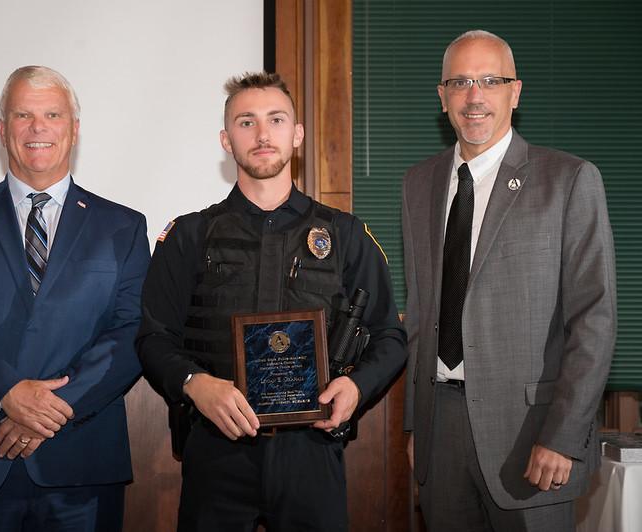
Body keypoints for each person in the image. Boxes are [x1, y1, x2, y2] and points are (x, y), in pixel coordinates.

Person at [136, 71, 407, 531]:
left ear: (297, 134)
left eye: (276, 120)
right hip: (216, 450)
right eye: (246, 122)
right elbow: (152, 337)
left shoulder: (345, 235)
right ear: (226, 140)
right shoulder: (188, 236)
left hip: (313, 451)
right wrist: (195, 383)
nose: (262, 134)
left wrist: (357, 387)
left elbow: (391, 336)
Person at [0, 65, 149, 531]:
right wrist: (7, 394)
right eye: (23, 115)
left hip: (80, 461)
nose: (38, 128)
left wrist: (47, 410)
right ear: (3, 130)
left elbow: (133, 327)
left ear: (73, 129)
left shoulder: (123, 226)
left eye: (52, 114)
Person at [402, 30, 616, 531]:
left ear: (514, 92)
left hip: (533, 436)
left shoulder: (569, 180)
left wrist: (563, 435)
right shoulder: (418, 184)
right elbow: (420, 314)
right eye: (459, 82)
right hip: (442, 434)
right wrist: (418, 424)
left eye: (489, 80)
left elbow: (595, 319)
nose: (474, 96)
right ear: (442, 95)